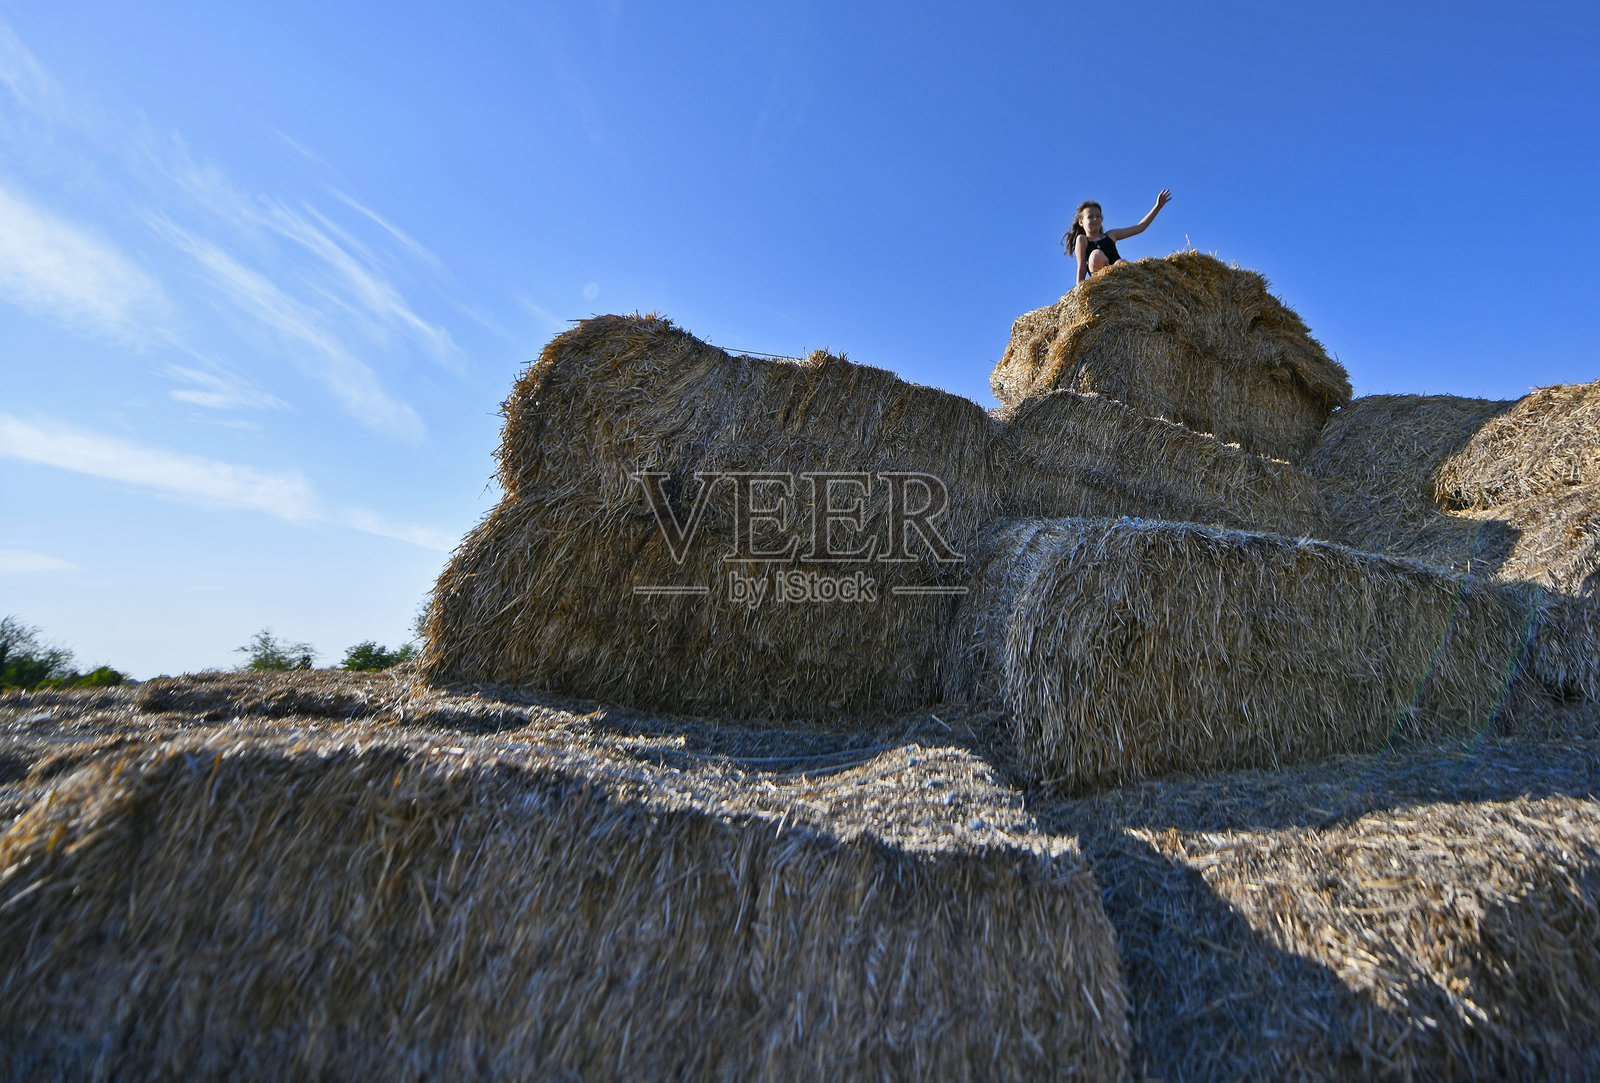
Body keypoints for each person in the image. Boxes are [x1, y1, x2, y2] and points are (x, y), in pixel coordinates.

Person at [1063, 190, 1172, 285]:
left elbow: (1140, 227)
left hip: (1117, 276)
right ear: (1081, 222)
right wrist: (1079, 292)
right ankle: (1103, 283)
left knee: (1121, 263)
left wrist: (1157, 207)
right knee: (1097, 255)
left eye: (1098, 216)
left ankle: (1127, 284)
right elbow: (1081, 266)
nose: (1095, 219)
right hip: (1098, 278)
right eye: (1090, 217)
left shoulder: (1111, 235)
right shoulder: (1082, 239)